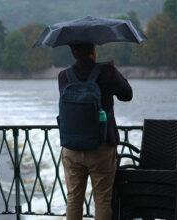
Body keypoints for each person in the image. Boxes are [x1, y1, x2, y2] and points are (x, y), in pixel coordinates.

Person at [58, 43, 133, 220]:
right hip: (102, 146)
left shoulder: (64, 76)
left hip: (72, 147)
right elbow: (127, 95)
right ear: (93, 51)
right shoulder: (107, 72)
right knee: (103, 200)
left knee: (74, 200)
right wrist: (115, 71)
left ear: (73, 52)